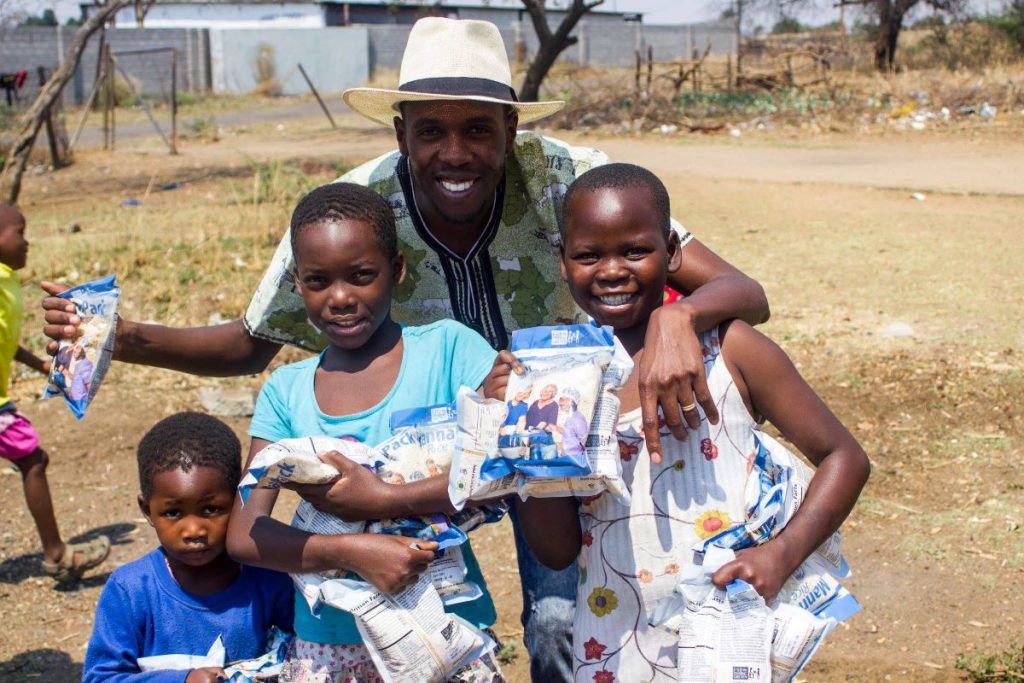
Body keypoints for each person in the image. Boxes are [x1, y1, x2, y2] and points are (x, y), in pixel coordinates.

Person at [41, 19, 769, 680]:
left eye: (479, 129)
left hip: (557, 433)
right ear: (400, 132)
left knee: (564, 624)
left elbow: (743, 289)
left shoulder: (567, 178)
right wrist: (127, 337)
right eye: (431, 130)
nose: (456, 152)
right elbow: (251, 342)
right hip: (434, 460)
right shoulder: (356, 209)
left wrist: (683, 317)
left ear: (511, 127)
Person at [510, 163, 871, 681]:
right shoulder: (559, 376)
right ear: (563, 263)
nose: (611, 270)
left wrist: (781, 554)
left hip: (730, 637)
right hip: (613, 644)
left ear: (674, 251)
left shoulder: (731, 349)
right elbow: (558, 552)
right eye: (588, 255)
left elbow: (846, 458)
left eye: (635, 250)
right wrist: (524, 443)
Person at [226, 183, 512, 682]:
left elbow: (502, 469)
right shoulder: (285, 392)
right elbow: (246, 535)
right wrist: (351, 551)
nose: (340, 298)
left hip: (446, 629)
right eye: (318, 281)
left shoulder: (449, 352)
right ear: (297, 283)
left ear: (396, 270)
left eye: (361, 276)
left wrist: (380, 500)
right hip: (331, 643)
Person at [83, 412, 295, 683]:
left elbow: (306, 648)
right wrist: (183, 680)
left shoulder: (269, 580)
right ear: (147, 510)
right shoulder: (131, 591)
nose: (193, 531)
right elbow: (100, 677)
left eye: (210, 509)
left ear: (238, 501)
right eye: (173, 513)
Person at [0, 203, 109, 583]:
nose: (27, 242)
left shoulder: (7, 279)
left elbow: (7, 342)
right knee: (32, 459)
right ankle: (58, 555)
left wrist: (44, 367)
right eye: (19, 233)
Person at [554, 387, 587, 459]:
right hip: (567, 457)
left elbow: (584, 440)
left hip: (576, 459)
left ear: (575, 402)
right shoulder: (570, 418)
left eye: (567, 399)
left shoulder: (578, 419)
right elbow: (571, 434)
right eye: (561, 399)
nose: (562, 403)